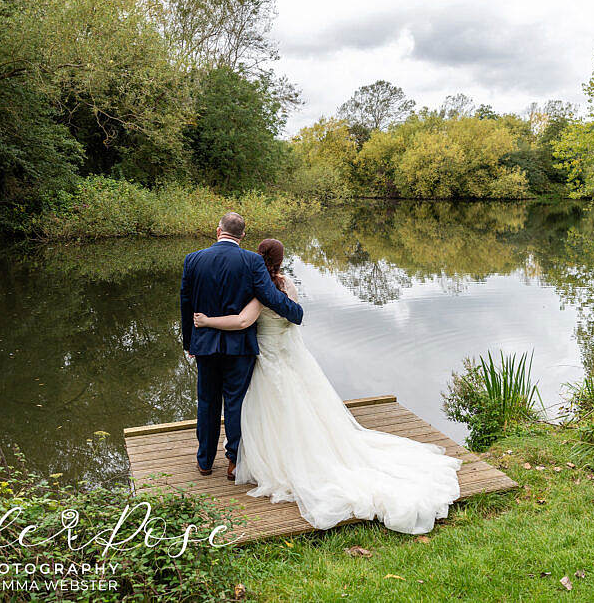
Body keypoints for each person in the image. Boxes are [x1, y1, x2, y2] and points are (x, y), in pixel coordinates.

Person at [192, 237, 461, 534]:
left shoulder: (257, 291)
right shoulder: (287, 285)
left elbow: (244, 322)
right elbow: (295, 315)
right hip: (285, 354)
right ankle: (244, 457)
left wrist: (206, 322)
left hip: (266, 357)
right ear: (281, 261)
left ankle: (248, 460)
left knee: (256, 406)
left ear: (257, 258)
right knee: (293, 405)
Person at [179, 213, 303, 481]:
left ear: (217, 230)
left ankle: (204, 461)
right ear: (243, 235)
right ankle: (233, 461)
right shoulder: (252, 261)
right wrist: (295, 313)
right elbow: (269, 296)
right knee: (236, 403)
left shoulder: (193, 259)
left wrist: (189, 341)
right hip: (240, 347)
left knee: (207, 402)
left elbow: (186, 305)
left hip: (205, 345)